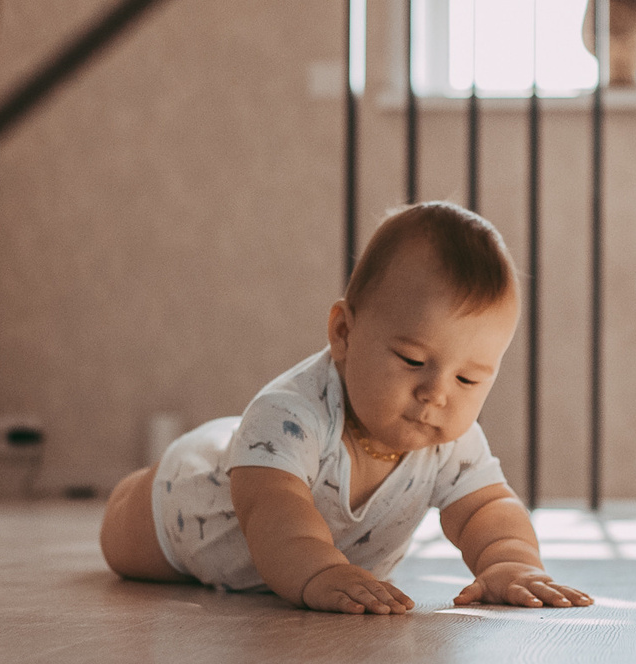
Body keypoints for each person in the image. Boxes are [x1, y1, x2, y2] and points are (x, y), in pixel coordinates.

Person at [98, 202, 594, 615]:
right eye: (413, 360)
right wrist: (322, 570)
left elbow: (486, 510)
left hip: (259, 455)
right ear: (344, 334)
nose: (436, 393)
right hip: (189, 509)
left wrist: (510, 561)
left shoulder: (449, 441)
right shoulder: (293, 415)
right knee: (126, 544)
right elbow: (275, 511)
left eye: (468, 378)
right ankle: (136, 486)